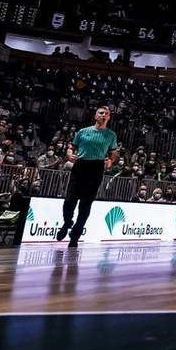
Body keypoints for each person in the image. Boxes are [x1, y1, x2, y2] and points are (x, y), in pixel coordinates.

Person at [56, 106, 119, 248]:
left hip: (96, 168)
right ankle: (67, 222)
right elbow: (71, 147)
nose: (104, 115)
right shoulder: (83, 132)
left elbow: (113, 153)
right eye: (101, 113)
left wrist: (110, 160)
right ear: (95, 116)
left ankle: (75, 236)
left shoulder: (111, 135)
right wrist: (69, 155)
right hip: (80, 166)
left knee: (85, 204)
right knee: (69, 199)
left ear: (109, 117)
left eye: (106, 114)